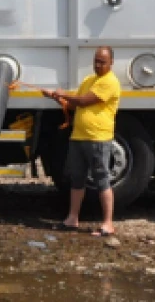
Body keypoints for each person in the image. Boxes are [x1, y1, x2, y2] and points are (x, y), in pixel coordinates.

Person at [41, 46, 121, 236]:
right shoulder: (88, 80)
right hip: (78, 136)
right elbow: (73, 104)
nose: (98, 65)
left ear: (111, 63)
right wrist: (55, 97)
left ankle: (108, 223)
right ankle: (72, 219)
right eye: (96, 61)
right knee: (77, 179)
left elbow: (84, 101)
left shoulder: (110, 82)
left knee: (102, 179)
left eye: (102, 61)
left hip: (98, 138)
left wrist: (61, 94)